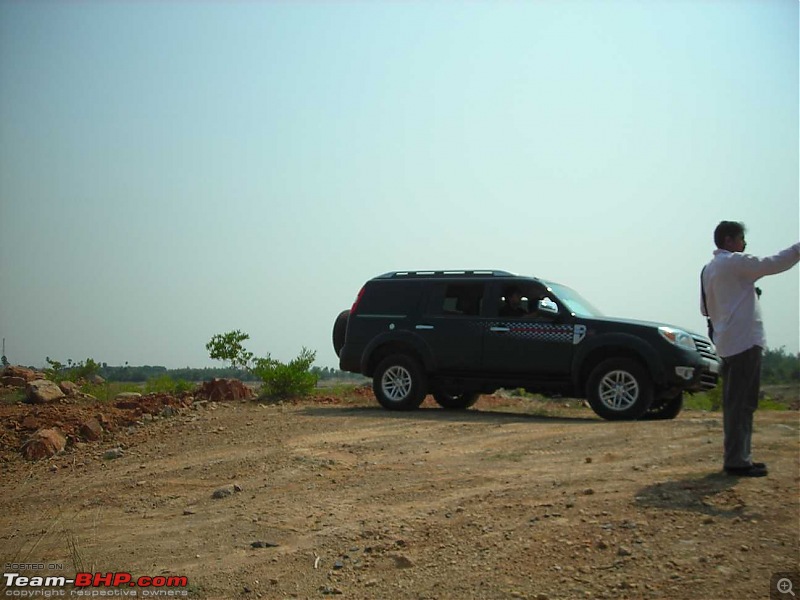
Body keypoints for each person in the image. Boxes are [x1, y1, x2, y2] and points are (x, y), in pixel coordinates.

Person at [701, 221, 799, 477]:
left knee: (736, 403)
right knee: (743, 404)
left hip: (726, 342)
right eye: (741, 239)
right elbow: (771, 263)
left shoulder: (708, 269)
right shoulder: (734, 262)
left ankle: (739, 456)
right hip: (744, 341)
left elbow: (705, 309)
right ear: (729, 240)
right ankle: (737, 460)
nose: (744, 244)